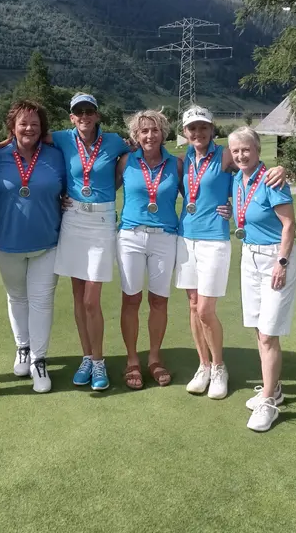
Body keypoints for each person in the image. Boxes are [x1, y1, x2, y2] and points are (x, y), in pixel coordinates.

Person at [115, 109, 233, 390]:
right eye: (144, 131)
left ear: (164, 133)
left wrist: (230, 206)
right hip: (130, 236)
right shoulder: (125, 161)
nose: (150, 135)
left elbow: (196, 193)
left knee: (159, 301)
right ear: (136, 135)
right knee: (131, 300)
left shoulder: (177, 163)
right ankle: (132, 360)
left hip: (166, 237)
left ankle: (155, 359)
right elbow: (101, 187)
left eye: (155, 130)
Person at [176, 106, 285, 401]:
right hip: (186, 238)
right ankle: (203, 365)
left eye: (203, 127)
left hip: (214, 240)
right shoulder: (183, 159)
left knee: (205, 310)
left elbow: (253, 169)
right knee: (193, 306)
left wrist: (280, 169)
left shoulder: (224, 155)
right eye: (192, 128)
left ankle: (219, 367)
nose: (198, 133)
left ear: (212, 129)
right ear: (185, 132)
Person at [51, 93, 131, 391]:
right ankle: (86, 357)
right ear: (71, 117)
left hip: (101, 222)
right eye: (78, 112)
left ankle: (99, 361)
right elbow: (25, 136)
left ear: (97, 115)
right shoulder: (61, 138)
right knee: (77, 297)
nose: (84, 116)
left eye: (89, 111)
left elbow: (139, 152)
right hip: (72, 219)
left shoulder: (114, 141)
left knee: (90, 300)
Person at [0, 100, 66, 393]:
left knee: (42, 301)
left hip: (48, 241)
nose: (29, 129)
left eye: (35, 124)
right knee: (17, 297)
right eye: (23, 123)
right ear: (12, 126)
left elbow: (72, 185)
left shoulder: (56, 156)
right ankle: (23, 347)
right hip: (7, 241)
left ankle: (39, 359)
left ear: (42, 128)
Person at [229, 127, 296, 432]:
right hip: (249, 255)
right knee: (259, 328)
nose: (241, 155)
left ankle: (268, 401)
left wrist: (282, 263)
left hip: (275, 258)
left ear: (258, 150)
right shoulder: (237, 179)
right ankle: (275, 388)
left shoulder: (272, 180)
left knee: (269, 333)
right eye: (235, 151)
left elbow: (289, 225)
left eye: (246, 149)